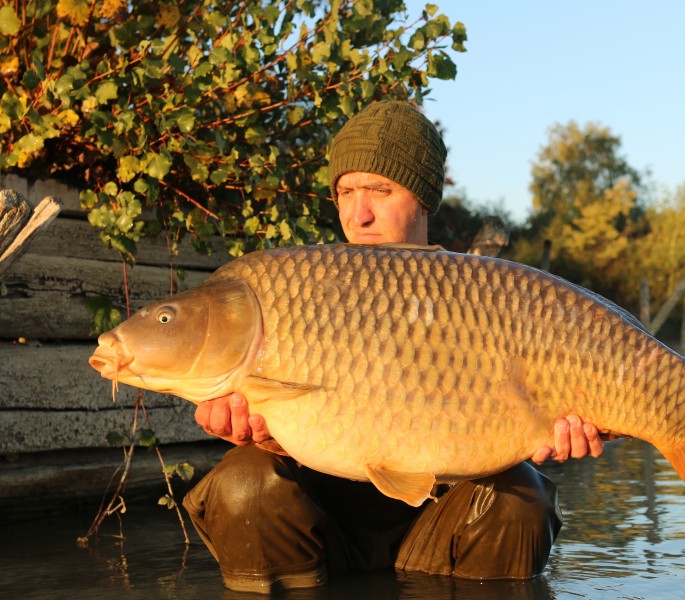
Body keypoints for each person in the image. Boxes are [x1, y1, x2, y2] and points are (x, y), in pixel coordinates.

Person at [184, 101, 604, 593]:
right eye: (346, 191)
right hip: (322, 535)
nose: (359, 214)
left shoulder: (485, 297)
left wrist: (558, 433)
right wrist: (263, 435)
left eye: (380, 190)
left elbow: (522, 419)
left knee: (522, 496)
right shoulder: (297, 287)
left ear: (424, 199)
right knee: (244, 482)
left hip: (441, 535)